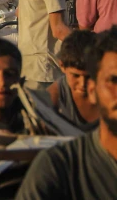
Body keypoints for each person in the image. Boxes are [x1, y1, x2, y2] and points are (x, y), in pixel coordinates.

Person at [15, 27, 117, 199]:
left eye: (87, 77)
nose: (82, 84)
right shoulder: (58, 165)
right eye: (113, 81)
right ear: (95, 90)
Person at [48, 30, 99, 131]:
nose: (83, 83)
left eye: (89, 76)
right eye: (76, 76)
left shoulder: (110, 91)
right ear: (62, 66)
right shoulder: (54, 95)